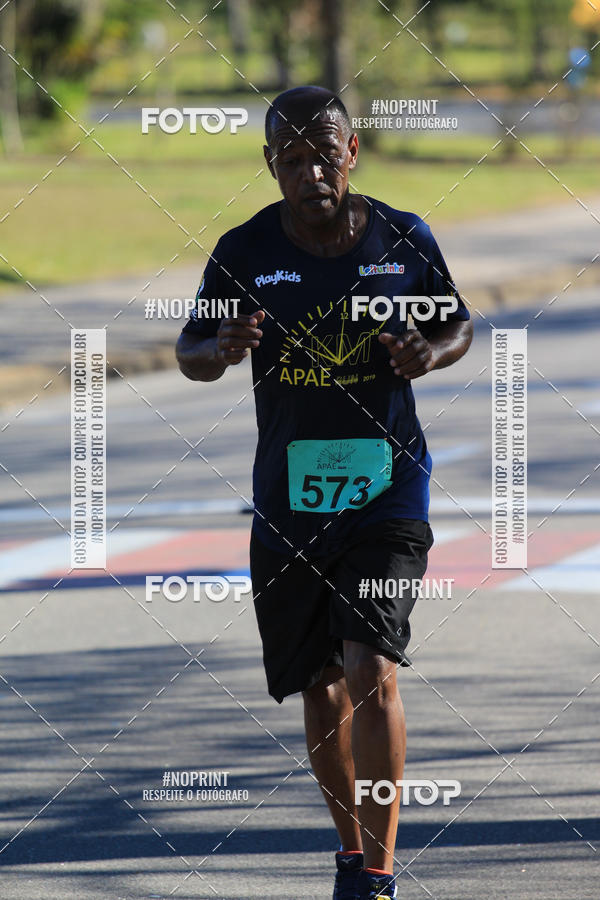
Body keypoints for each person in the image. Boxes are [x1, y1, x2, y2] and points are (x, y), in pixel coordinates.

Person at [176, 85, 472, 900]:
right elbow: (189, 347)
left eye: (324, 154)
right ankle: (349, 852)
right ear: (270, 166)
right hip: (289, 499)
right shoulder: (243, 252)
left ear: (352, 154)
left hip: (387, 491)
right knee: (319, 683)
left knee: (372, 664)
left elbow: (457, 322)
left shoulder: (403, 237)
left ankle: (378, 872)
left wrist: (430, 352)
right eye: (292, 158)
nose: (312, 172)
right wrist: (221, 348)